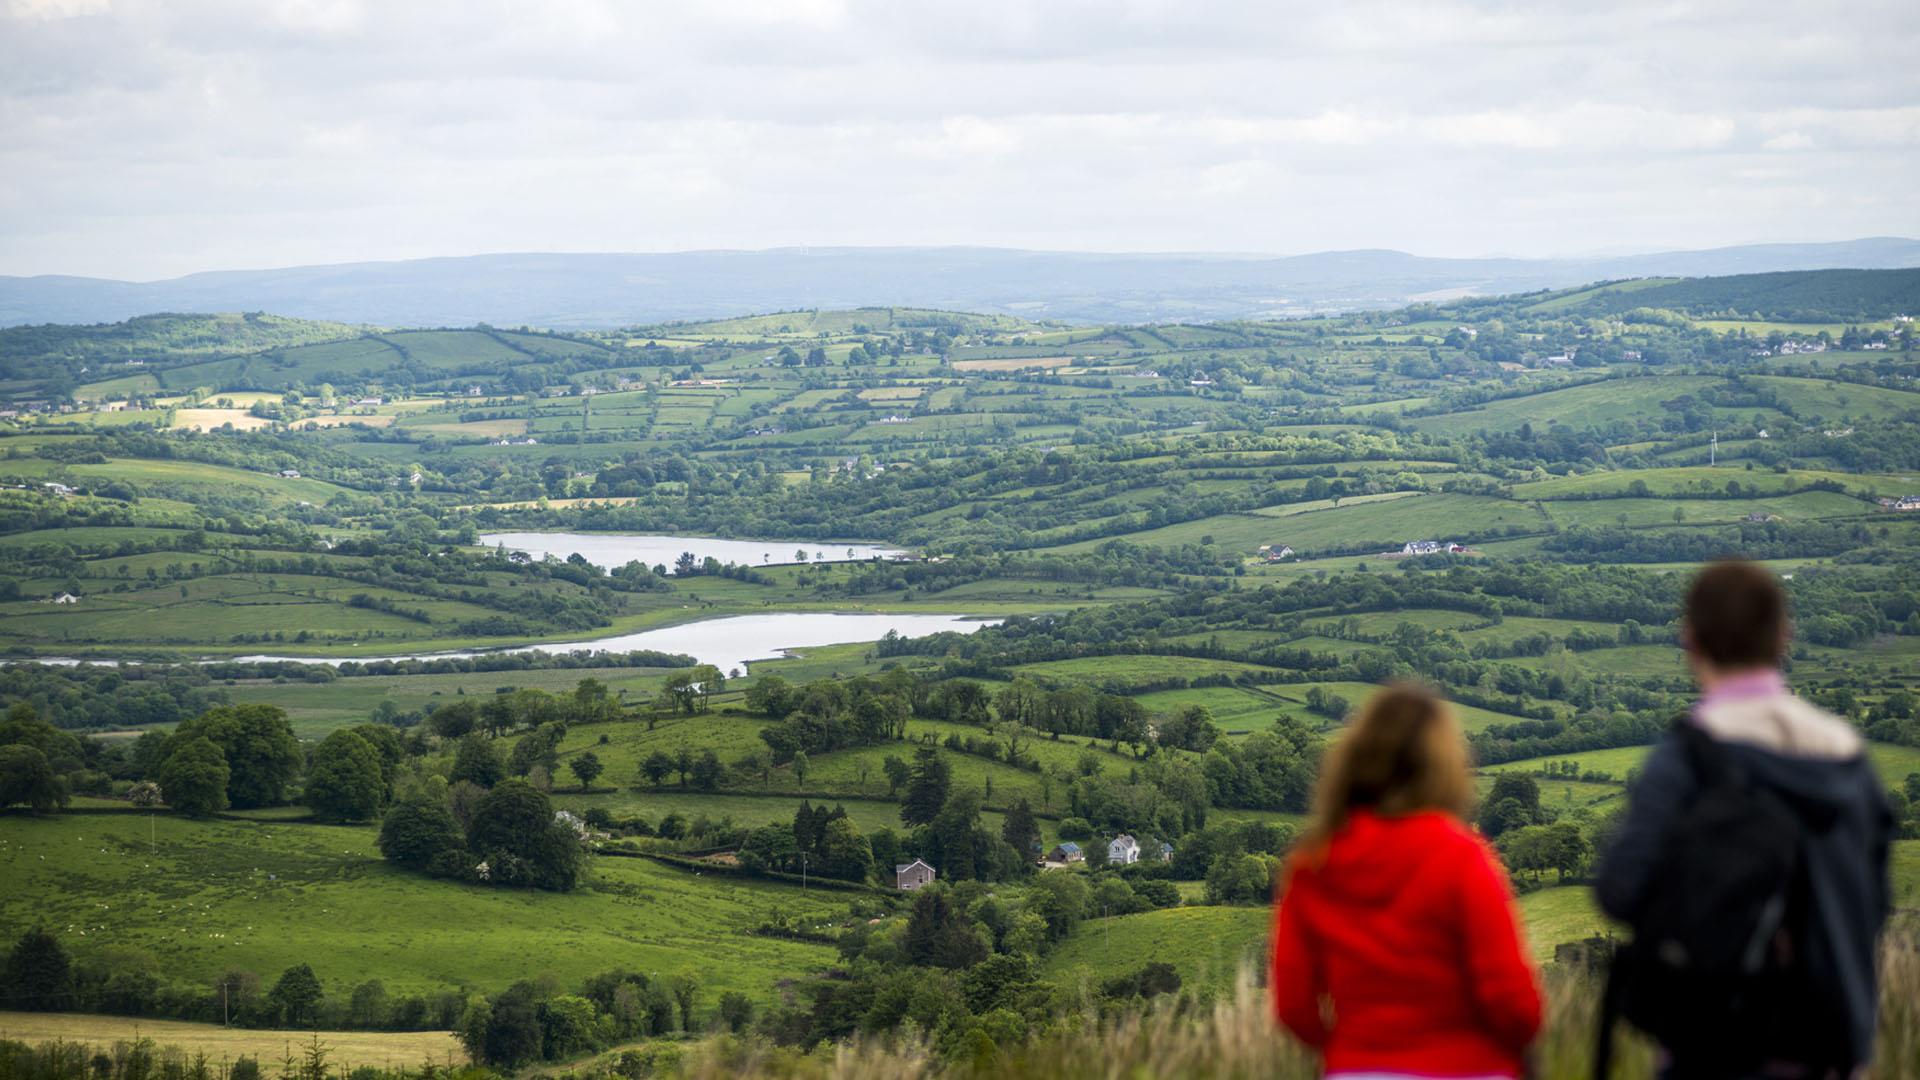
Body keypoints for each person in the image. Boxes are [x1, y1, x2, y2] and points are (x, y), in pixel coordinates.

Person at [1595, 560, 1892, 1077]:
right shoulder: (1848, 759)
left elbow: (1619, 888)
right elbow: (1874, 900)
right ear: (1784, 636)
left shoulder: (1692, 753)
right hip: (1834, 1042)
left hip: (1717, 1046)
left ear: (1691, 639)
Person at [1271, 683, 1542, 1077]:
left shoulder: (1312, 864)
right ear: (1443, 766)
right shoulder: (1462, 856)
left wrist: (1348, 1051)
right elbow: (1512, 1000)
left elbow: (1293, 1006)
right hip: (1469, 1068)